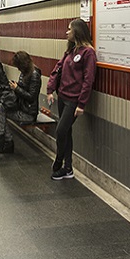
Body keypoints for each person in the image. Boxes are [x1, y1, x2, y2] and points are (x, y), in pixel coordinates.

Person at [46, 18, 97, 180]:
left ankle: (59, 161)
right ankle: (68, 168)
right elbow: (57, 69)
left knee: (61, 131)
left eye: (70, 29)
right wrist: (50, 89)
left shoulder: (88, 53)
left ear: (77, 31)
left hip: (73, 101)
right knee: (66, 132)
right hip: (63, 96)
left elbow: (88, 80)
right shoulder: (71, 51)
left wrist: (82, 104)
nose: (67, 32)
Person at [0, 51, 42, 153]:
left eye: (19, 66)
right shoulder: (25, 72)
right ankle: (3, 139)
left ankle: (5, 140)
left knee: (2, 111)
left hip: (28, 112)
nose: (18, 69)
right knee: (1, 107)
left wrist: (17, 88)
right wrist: (15, 85)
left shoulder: (35, 75)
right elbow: (23, 87)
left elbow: (31, 97)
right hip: (21, 106)